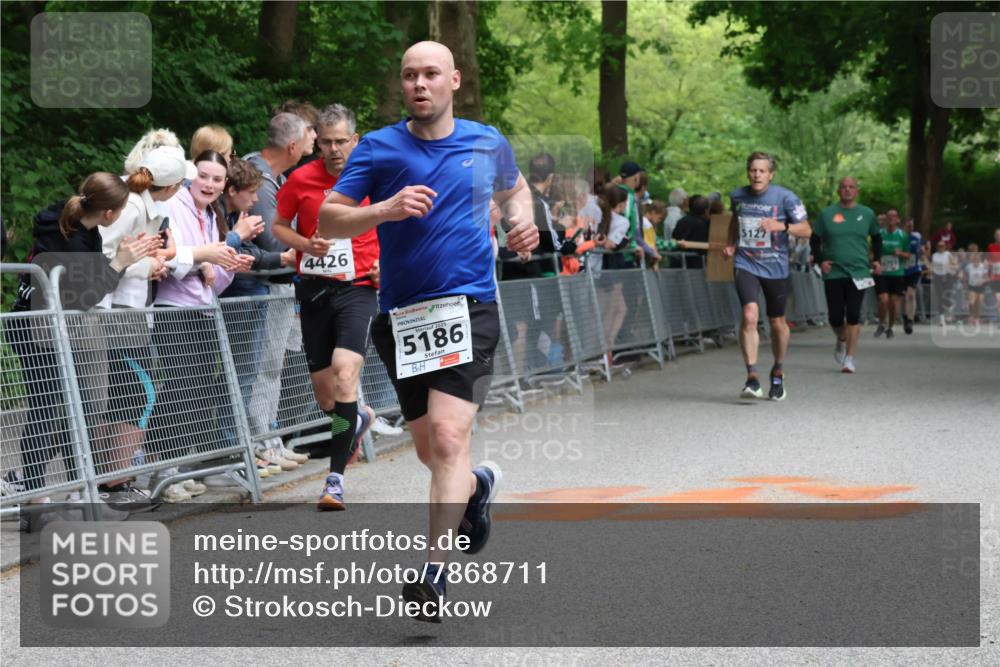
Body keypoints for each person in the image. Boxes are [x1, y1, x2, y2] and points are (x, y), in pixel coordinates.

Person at [319, 40, 538, 622]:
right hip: (406, 316)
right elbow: (327, 218)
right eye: (410, 75)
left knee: (445, 439)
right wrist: (384, 211)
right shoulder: (379, 147)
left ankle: (435, 574)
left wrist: (522, 223)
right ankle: (476, 486)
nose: (419, 84)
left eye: (431, 74)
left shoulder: (486, 141)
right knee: (430, 450)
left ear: (454, 80)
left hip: (469, 306)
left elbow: (515, 190)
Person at [9, 173, 160, 509]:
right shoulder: (69, 235)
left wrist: (120, 260)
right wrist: (120, 261)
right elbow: (83, 295)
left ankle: (82, 490)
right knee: (48, 409)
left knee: (73, 409)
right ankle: (35, 493)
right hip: (37, 332)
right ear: (111, 213)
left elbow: (90, 285)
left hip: (61, 330)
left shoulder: (84, 228)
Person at [271, 103, 380, 510]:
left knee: (345, 371)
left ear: (355, 140)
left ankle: (334, 481)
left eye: (341, 141)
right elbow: (278, 226)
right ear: (316, 140)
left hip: (358, 288)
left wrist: (386, 263)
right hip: (314, 291)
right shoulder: (300, 179)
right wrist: (303, 245)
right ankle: (357, 418)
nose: (334, 150)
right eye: (327, 142)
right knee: (328, 397)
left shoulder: (374, 178)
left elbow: (399, 221)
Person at [147, 151, 255, 476]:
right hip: (171, 309)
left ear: (224, 186)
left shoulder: (211, 216)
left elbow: (213, 284)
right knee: (180, 385)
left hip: (202, 311)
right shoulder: (174, 204)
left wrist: (229, 265)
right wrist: (203, 259)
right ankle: (156, 464)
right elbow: (173, 260)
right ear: (192, 177)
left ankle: (174, 467)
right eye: (204, 177)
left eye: (216, 179)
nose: (208, 184)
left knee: (202, 387)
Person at [723, 151, 811, 400]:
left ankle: (778, 369)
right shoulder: (738, 196)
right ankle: (752, 377)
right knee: (750, 315)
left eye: (762, 171)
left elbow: (807, 230)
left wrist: (782, 226)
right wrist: (731, 243)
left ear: (770, 175)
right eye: (753, 170)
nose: (757, 175)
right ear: (748, 172)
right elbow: (735, 221)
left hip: (776, 267)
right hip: (746, 262)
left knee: (777, 323)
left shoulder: (786, 198)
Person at [810, 177, 881, 373]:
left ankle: (850, 358)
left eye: (851, 187)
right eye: (844, 187)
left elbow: (877, 238)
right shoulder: (827, 214)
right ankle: (841, 338)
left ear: (857, 190)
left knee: (853, 314)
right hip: (833, 270)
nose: (847, 190)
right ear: (838, 191)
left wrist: (877, 260)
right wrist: (820, 260)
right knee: (834, 317)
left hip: (859, 270)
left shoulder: (867, 214)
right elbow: (814, 240)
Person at [873, 208, 910, 339]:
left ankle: (891, 327)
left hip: (897, 273)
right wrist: (873, 261)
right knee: (883, 300)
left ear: (897, 219)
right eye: (889, 216)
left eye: (893, 216)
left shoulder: (903, 235)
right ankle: (881, 323)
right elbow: (872, 251)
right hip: (882, 272)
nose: (891, 219)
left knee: (894, 303)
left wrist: (900, 253)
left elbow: (908, 255)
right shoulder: (879, 234)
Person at [902, 218, 927, 334]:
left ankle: (910, 320)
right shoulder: (899, 236)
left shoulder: (917, 236)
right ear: (904, 226)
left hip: (914, 269)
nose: (910, 228)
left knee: (911, 295)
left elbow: (923, 251)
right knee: (903, 296)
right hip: (901, 270)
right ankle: (905, 316)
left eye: (912, 225)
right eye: (908, 226)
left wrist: (923, 253)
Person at [672, 194, 710, 269]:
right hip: (693, 266)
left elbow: (674, 238)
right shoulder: (701, 225)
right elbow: (702, 249)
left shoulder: (681, 221)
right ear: (706, 210)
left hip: (677, 263)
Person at [930, 240, 958, 324]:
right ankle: (941, 318)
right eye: (939, 246)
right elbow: (932, 265)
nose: (940, 247)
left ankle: (949, 314)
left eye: (942, 246)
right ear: (937, 247)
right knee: (940, 297)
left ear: (945, 247)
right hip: (937, 276)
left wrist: (952, 265)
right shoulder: (934, 255)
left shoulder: (948, 254)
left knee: (947, 295)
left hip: (947, 276)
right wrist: (931, 271)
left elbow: (954, 263)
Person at [962, 243, 988, 325]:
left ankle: (977, 318)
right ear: (973, 259)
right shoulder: (969, 266)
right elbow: (964, 275)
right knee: (971, 301)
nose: (976, 260)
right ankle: (971, 316)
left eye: (978, 258)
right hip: (972, 286)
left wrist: (983, 281)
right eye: (975, 258)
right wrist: (965, 283)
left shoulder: (983, 266)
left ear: (979, 259)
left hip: (980, 287)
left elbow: (986, 277)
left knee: (979, 303)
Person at [988, 228, 1000, 299]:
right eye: (997, 235)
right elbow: (989, 260)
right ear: (995, 236)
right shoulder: (991, 247)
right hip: (995, 276)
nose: (999, 237)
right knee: (998, 298)